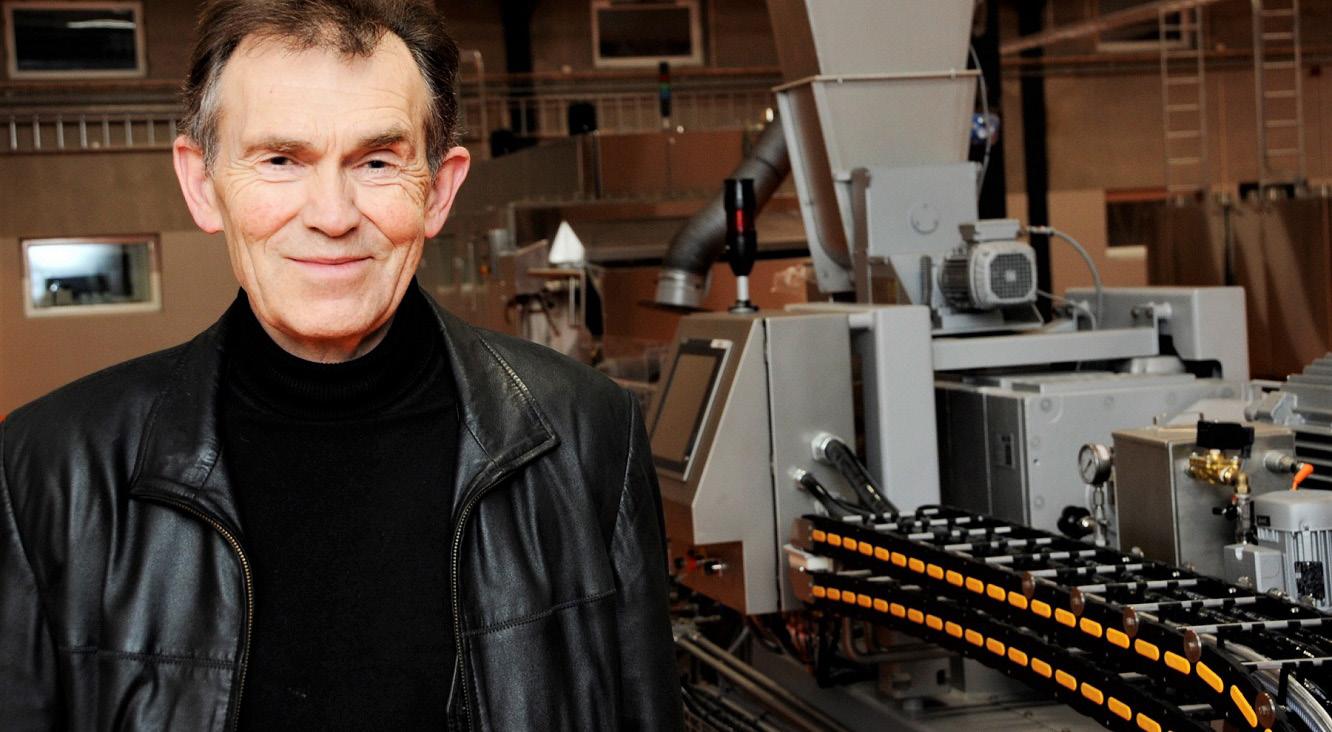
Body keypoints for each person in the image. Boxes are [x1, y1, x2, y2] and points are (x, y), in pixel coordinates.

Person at [0, 1, 681, 729]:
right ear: (202, 184)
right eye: (280, 160)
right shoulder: (51, 468)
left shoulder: (586, 434)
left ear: (439, 190)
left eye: (377, 161)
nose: (332, 215)